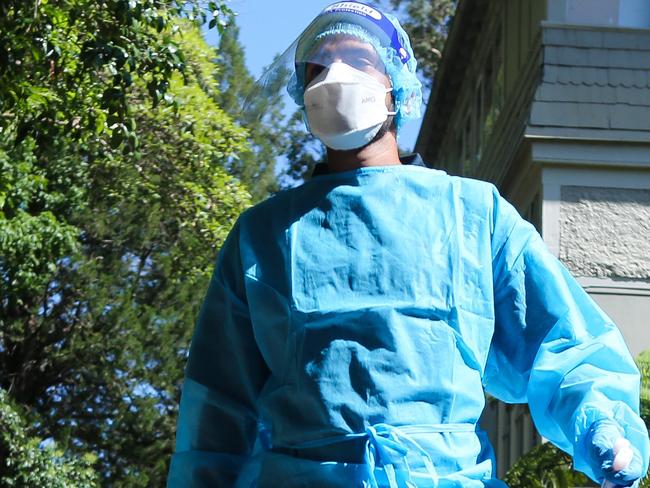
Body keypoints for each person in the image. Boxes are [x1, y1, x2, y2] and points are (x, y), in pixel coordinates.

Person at [167, 2, 650, 487]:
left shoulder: (474, 215)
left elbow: (566, 344)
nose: (334, 75)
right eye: (318, 65)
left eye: (356, 59)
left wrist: (604, 426)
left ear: (397, 82)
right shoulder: (262, 237)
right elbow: (217, 414)